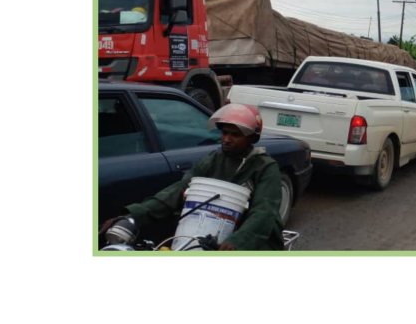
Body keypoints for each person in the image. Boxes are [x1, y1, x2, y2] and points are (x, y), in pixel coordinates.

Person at [100, 103, 284, 251]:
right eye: (225, 133)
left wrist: (238, 242)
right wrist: (133, 214)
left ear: (253, 138)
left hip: (248, 242)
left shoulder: (265, 167)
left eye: (235, 135)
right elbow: (176, 190)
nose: (227, 139)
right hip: (204, 233)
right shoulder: (213, 160)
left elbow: (264, 212)